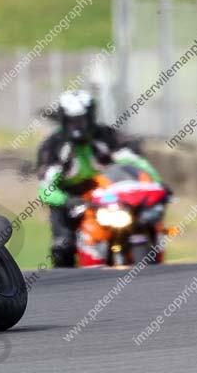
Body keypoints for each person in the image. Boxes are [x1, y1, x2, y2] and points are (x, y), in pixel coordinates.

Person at [36, 89, 163, 267]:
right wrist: (67, 201)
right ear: (64, 121)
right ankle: (68, 278)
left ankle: (152, 252)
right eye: (72, 122)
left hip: (106, 190)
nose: (77, 126)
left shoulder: (107, 136)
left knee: (144, 216)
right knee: (63, 246)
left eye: (81, 120)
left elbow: (136, 161)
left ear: (91, 118)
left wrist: (157, 184)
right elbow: (45, 189)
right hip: (70, 197)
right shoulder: (53, 147)